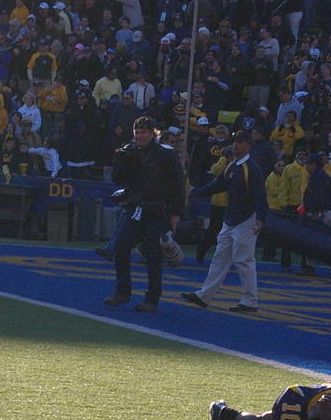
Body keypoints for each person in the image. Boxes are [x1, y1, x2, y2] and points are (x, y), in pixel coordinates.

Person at [104, 116, 186, 312]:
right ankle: (122, 292)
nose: (139, 136)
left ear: (153, 133)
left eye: (143, 133)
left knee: (153, 256)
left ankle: (152, 298)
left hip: (157, 211)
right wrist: (120, 162)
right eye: (137, 133)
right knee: (120, 248)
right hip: (135, 208)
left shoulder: (166, 155)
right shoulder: (130, 151)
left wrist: (176, 214)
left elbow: (178, 185)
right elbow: (119, 180)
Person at [181, 130, 267, 312]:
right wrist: (194, 192)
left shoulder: (251, 168)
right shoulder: (232, 167)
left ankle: (250, 300)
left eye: (240, 142)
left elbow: (260, 195)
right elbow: (217, 185)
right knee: (220, 257)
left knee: (244, 259)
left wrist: (260, 218)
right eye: (235, 141)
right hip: (231, 218)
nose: (236, 145)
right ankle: (205, 295)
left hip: (245, 217)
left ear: (248, 146)